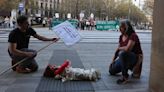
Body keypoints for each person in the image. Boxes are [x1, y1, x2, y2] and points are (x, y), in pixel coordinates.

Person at [109, 20, 143, 84]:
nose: (119, 29)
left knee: (122, 53)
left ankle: (125, 76)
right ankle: (124, 67)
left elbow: (128, 49)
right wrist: (112, 61)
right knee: (111, 71)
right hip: (124, 58)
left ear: (126, 28)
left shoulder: (133, 36)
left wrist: (120, 48)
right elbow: (118, 50)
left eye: (121, 27)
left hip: (134, 58)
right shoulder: (121, 36)